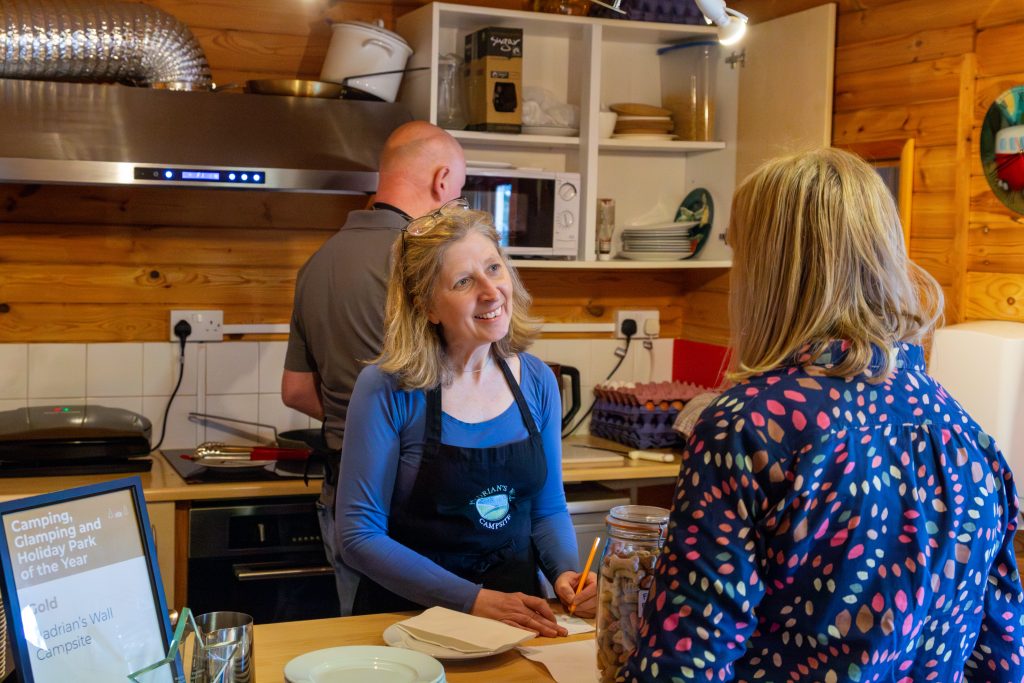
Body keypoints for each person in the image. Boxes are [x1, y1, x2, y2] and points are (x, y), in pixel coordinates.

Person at [619, 148, 1024, 681]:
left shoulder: (747, 426)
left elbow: (686, 660)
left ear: (770, 273)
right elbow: (1002, 658)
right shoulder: (970, 437)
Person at [335, 202, 597, 634]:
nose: (491, 291)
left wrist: (566, 574)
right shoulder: (386, 388)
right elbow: (359, 536)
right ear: (428, 306)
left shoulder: (536, 380)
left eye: (494, 268)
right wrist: (470, 599)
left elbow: (547, 509)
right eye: (463, 281)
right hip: (409, 621)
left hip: (518, 620)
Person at [282, 121, 466, 615]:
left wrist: (360, 421)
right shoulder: (431, 262)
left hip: (345, 495)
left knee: (365, 651)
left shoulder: (317, 264)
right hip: (425, 502)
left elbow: (296, 391)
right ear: (442, 180)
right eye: (460, 194)